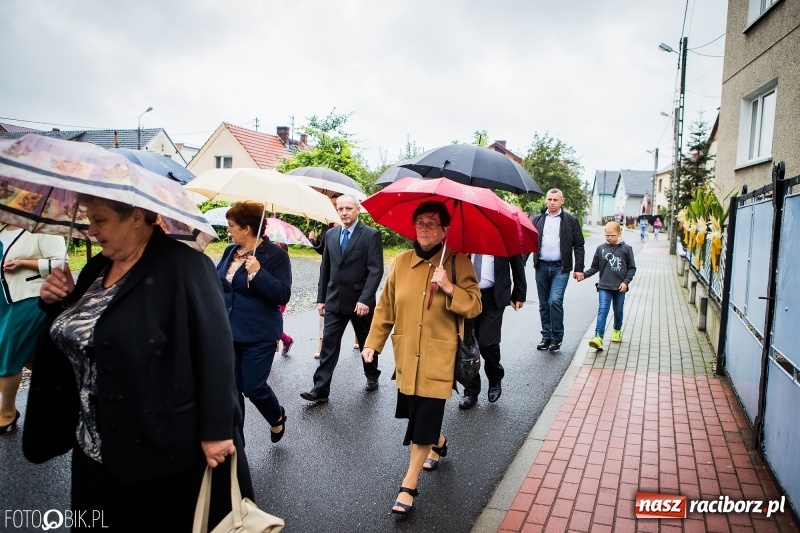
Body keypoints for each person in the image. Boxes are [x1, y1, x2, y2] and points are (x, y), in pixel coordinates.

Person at [24, 195, 253, 530]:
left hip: (158, 446)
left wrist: (216, 430)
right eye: (89, 219)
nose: (91, 230)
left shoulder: (186, 266)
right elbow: (93, 333)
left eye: (100, 220)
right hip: (92, 444)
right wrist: (60, 302)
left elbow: (216, 350)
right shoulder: (98, 266)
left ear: (135, 216)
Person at [361, 201, 482, 516]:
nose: (425, 228)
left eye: (432, 223)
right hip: (407, 355)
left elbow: (475, 305)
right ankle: (437, 442)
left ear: (444, 230)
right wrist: (373, 343)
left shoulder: (458, 262)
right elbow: (385, 307)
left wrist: (449, 287)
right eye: (420, 222)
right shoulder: (401, 262)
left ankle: (408, 485)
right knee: (415, 413)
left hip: (439, 356)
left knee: (425, 417)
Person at [218, 202, 291, 444]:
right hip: (229, 332)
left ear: (247, 228)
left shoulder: (276, 256)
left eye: (231, 225)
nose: (228, 230)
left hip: (259, 335)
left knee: (253, 388)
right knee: (231, 391)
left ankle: (276, 415)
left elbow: (282, 295)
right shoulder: (230, 251)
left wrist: (258, 272)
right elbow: (218, 283)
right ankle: (236, 444)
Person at [301, 194, 383, 402]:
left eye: (348, 208)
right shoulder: (331, 234)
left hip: (360, 303)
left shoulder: (371, 235)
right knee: (329, 344)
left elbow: (376, 271)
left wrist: (365, 299)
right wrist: (321, 298)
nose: (344, 213)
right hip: (335, 300)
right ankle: (320, 390)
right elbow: (325, 267)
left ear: (358, 209)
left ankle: (372, 374)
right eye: (340, 209)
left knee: (366, 341)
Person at [0, 225, 66, 434]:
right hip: (5, 300)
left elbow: (60, 263)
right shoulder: (3, 229)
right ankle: (67, 391)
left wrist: (23, 263)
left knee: (8, 354)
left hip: (27, 299)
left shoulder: (44, 229)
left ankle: (7, 413)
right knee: (32, 355)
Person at [458, 253, 526, 410]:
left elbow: (517, 262)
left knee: (487, 343)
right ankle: (471, 391)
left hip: (494, 296)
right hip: (468, 295)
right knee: (467, 344)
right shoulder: (465, 240)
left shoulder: (501, 239)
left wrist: (519, 293)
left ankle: (495, 377)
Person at [531, 188, 585, 353]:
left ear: (562, 201)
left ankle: (556, 337)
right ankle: (546, 336)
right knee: (543, 304)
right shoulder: (538, 219)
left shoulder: (570, 220)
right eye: (549, 199)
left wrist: (579, 268)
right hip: (541, 266)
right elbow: (529, 241)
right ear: (546, 200)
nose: (552, 203)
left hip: (560, 268)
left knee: (554, 301)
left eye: (555, 200)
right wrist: (521, 262)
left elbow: (579, 245)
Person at [580, 221, 637, 349]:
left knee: (618, 311)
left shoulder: (626, 249)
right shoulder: (601, 248)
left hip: (620, 287)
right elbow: (595, 267)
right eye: (607, 235)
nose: (609, 238)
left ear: (619, 233)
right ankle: (598, 337)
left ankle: (617, 330)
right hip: (604, 286)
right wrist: (584, 275)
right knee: (603, 310)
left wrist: (626, 282)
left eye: (612, 235)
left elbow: (632, 268)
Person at [273, 242, 294, 357]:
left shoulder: (283, 266)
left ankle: (285, 340)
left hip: (279, 300)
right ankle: (286, 340)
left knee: (272, 323)